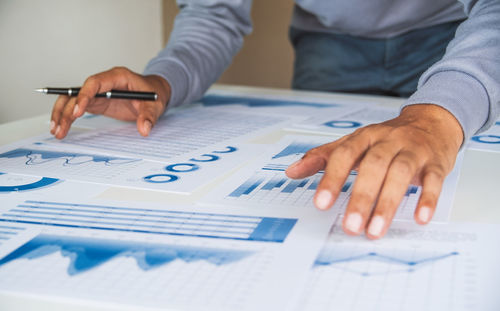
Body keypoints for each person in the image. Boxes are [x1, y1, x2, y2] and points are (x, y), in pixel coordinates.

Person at [49, 0, 500, 239]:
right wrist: (164, 81)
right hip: (329, 40)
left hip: (460, 32)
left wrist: (437, 115)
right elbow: (213, 11)